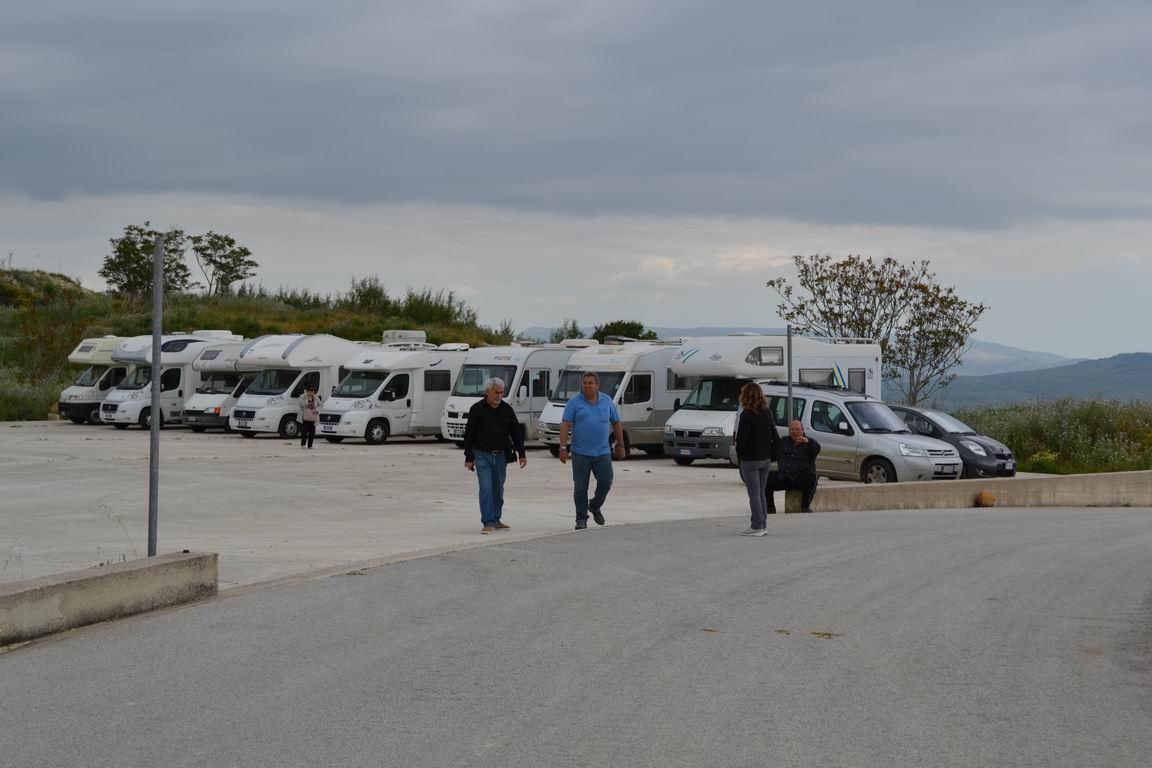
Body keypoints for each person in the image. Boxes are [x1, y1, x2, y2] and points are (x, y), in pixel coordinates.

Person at [558, 371, 625, 530]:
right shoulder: (574, 403)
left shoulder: (607, 401)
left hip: (602, 452)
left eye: (590, 383)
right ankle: (581, 519)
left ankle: (594, 505)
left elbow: (616, 423)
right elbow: (565, 424)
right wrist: (563, 447)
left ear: (597, 385)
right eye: (585, 383)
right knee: (580, 487)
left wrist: (621, 445)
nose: (587, 386)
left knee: (606, 482)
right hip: (580, 453)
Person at [462, 377, 527, 534]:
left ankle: (496, 519)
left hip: (501, 457)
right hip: (481, 456)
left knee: (498, 490)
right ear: (487, 392)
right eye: (496, 392)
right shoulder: (477, 409)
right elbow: (469, 434)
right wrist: (469, 457)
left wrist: (522, 454)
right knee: (486, 488)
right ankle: (488, 521)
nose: (499, 396)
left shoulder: (507, 409)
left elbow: (516, 433)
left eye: (501, 392)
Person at [735, 382, 778, 536]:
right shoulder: (768, 412)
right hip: (765, 458)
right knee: (761, 493)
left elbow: (741, 440)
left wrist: (739, 455)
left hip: (750, 459)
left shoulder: (746, 414)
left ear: (745, 395)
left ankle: (756, 526)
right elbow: (773, 434)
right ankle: (763, 524)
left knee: (754, 495)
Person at [766, 420, 821, 513]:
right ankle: (770, 508)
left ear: (802, 430)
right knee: (766, 477)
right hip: (784, 477)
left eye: (797, 429)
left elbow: (817, 449)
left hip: (799, 478)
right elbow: (771, 452)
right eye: (792, 429)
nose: (794, 432)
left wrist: (807, 441)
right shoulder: (783, 442)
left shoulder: (809, 443)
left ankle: (805, 506)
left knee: (813, 477)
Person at [297, 384, 321, 449]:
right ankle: (303, 444)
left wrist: (317, 410)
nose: (312, 392)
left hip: (313, 417)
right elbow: (300, 404)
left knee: (312, 432)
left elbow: (321, 405)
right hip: (304, 417)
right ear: (307, 391)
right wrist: (307, 400)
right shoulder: (303, 396)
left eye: (313, 391)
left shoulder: (316, 397)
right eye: (310, 391)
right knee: (304, 432)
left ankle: (310, 445)